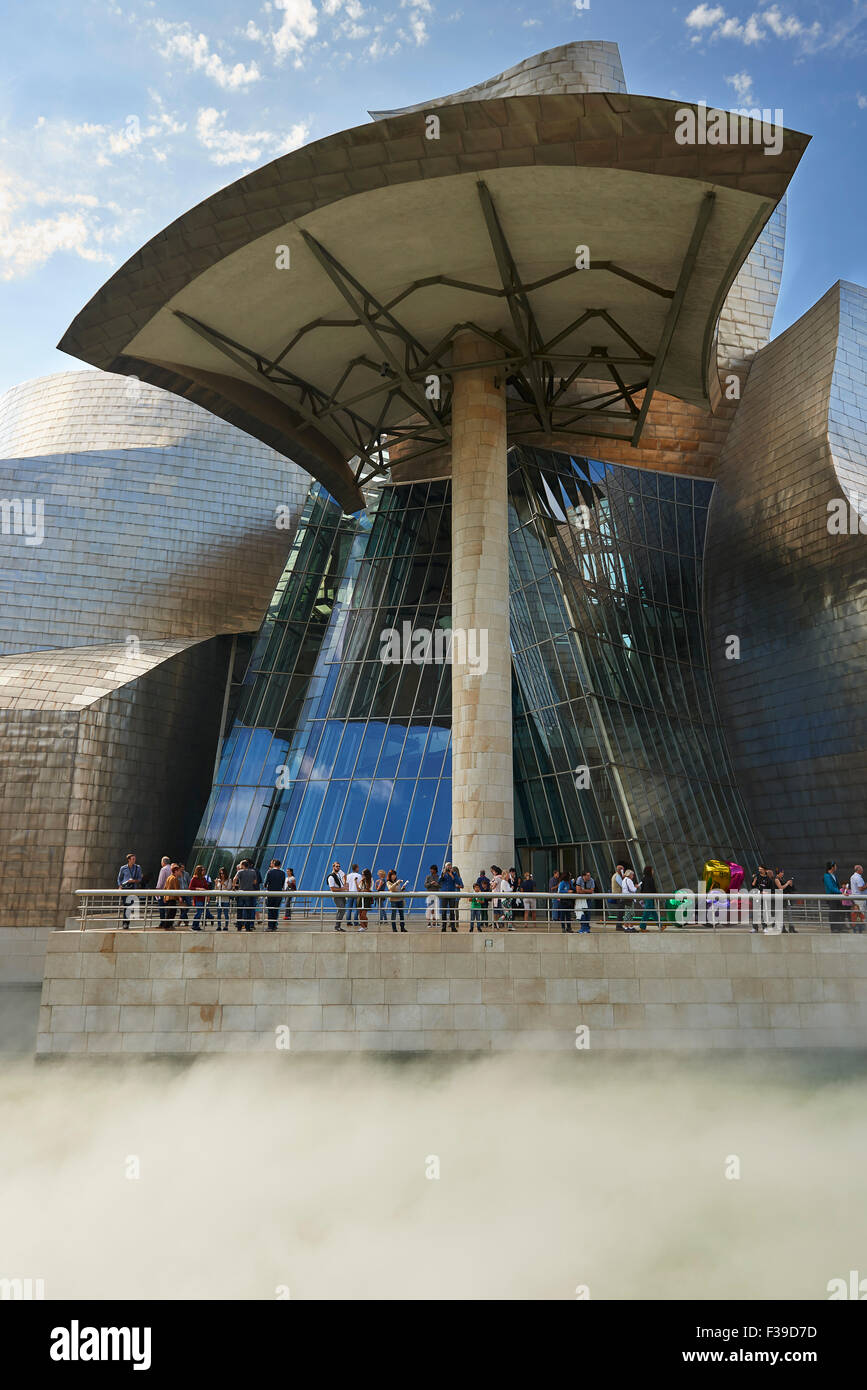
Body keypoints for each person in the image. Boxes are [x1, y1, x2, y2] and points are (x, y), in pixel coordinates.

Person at [234, 859, 261, 931]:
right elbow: (255, 882)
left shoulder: (240, 872)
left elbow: (235, 879)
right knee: (248, 910)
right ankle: (248, 927)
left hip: (241, 893)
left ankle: (239, 927)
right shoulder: (253, 872)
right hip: (249, 893)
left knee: (240, 911)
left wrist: (234, 887)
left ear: (243, 865)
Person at [750, 863, 775, 932]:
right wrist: (754, 880)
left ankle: (764, 927)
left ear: (765, 870)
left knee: (763, 913)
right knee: (754, 913)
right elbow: (752, 886)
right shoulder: (756, 877)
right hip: (756, 897)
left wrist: (767, 893)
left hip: (764, 899)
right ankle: (755, 928)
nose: (759, 870)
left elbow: (772, 889)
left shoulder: (768, 879)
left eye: (761, 869)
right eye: (759, 869)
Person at [823, 861, 847, 933]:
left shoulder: (834, 875)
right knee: (833, 912)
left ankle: (840, 927)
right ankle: (834, 928)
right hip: (832, 896)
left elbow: (837, 886)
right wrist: (841, 892)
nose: (836, 867)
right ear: (832, 867)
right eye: (835, 866)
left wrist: (842, 891)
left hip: (836, 896)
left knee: (840, 911)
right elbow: (831, 887)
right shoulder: (826, 876)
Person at [263, 859, 286, 931]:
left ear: (274, 864)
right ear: (280, 865)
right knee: (276, 910)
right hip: (279, 893)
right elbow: (283, 884)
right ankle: (274, 925)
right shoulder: (282, 873)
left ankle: (270, 926)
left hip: (270, 893)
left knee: (270, 910)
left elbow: (265, 883)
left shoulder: (269, 872)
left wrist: (266, 886)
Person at [189, 864, 212, 930]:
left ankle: (196, 925)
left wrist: (208, 896)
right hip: (198, 898)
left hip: (203, 898)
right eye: (202, 870)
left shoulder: (203, 879)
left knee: (201, 912)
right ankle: (194, 925)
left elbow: (207, 888)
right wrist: (198, 889)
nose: (204, 871)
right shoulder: (194, 879)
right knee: (199, 912)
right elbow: (190, 887)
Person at [774, 867, 796, 933]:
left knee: (789, 912)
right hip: (780, 898)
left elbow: (786, 887)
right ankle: (782, 928)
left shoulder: (782, 878)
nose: (783, 874)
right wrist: (787, 883)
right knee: (781, 913)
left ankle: (791, 927)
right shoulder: (776, 879)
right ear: (779, 873)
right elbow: (780, 887)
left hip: (785, 897)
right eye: (782, 872)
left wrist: (790, 884)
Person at [638, 865, 660, 931]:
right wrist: (656, 895)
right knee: (647, 911)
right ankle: (642, 926)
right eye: (652, 870)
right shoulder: (650, 878)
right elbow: (653, 888)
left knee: (652, 911)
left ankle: (660, 925)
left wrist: (641, 896)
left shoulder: (643, 878)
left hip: (645, 896)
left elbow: (642, 888)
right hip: (650, 897)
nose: (653, 871)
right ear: (649, 871)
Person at [439, 863, 458, 932]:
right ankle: (444, 927)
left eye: (450, 866)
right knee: (444, 911)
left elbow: (457, 881)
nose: (449, 868)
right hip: (444, 894)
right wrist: (443, 874)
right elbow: (439, 882)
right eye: (447, 867)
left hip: (452, 894)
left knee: (452, 911)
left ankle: (453, 927)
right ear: (445, 867)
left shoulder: (454, 873)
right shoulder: (443, 873)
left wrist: (451, 875)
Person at [328, 862, 346, 931]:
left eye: (339, 866)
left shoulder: (338, 874)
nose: (338, 867)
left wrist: (345, 884)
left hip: (341, 895)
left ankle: (338, 926)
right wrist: (342, 889)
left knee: (341, 910)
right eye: (336, 866)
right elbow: (332, 888)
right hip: (337, 896)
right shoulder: (331, 877)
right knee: (342, 910)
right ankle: (337, 926)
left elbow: (344, 875)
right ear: (333, 867)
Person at [162, 863, 181, 929]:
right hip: (172, 898)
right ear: (176, 871)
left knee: (169, 912)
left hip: (168, 897)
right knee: (172, 912)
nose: (180, 872)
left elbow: (165, 887)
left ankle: (167, 925)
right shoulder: (175, 878)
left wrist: (164, 897)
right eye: (179, 871)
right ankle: (168, 926)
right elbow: (176, 889)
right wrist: (179, 897)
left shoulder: (169, 877)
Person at [155, 855, 172, 928]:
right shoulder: (172, 869)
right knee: (169, 908)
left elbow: (160, 881)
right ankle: (168, 923)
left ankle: (162, 922)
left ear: (163, 862)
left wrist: (157, 890)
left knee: (161, 908)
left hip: (163, 891)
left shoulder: (163, 869)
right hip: (171, 892)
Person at [849, 864, 866, 933]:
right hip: (860, 898)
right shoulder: (858, 878)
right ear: (858, 870)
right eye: (861, 869)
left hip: (856, 898)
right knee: (862, 913)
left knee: (857, 913)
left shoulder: (852, 877)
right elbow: (860, 888)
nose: (862, 870)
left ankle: (857, 927)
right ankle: (861, 927)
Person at [345, 863, 362, 929]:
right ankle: (355, 922)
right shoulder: (359, 875)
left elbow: (346, 885)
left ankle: (348, 922)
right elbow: (360, 885)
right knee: (356, 908)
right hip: (356, 893)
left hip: (349, 893)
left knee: (349, 908)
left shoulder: (348, 876)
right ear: (356, 868)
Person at [424, 864, 441, 929]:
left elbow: (440, 886)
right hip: (429, 895)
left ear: (435, 870)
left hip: (436, 895)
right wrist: (431, 883)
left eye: (432, 869)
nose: (431, 870)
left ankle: (434, 922)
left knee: (435, 909)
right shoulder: (428, 877)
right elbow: (425, 885)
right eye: (431, 869)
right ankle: (429, 922)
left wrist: (436, 884)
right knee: (429, 908)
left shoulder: (438, 877)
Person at [610, 863, 625, 929]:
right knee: (620, 911)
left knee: (620, 911)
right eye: (622, 870)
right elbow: (622, 885)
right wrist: (624, 878)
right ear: (620, 870)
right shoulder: (618, 876)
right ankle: (619, 925)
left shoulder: (615, 875)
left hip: (617, 895)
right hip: (619, 895)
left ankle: (619, 925)